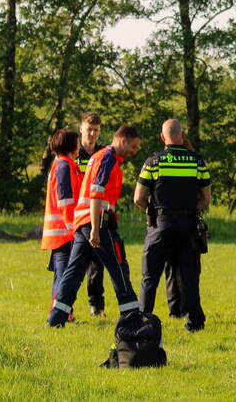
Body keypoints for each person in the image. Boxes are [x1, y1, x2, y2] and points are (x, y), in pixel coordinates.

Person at [47, 125, 143, 327]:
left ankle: (56, 317)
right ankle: (132, 316)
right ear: (123, 141)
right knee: (118, 266)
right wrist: (95, 230)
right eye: (134, 147)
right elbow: (96, 192)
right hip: (97, 221)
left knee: (74, 272)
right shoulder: (107, 158)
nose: (135, 152)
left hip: (83, 220)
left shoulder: (100, 156)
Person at [134, 119, 211, 332]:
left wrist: (152, 211)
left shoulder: (153, 162)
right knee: (189, 275)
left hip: (160, 224)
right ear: (182, 136)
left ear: (162, 137)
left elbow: (138, 198)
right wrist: (190, 210)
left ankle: (144, 321)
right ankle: (195, 321)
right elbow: (206, 199)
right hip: (187, 225)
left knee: (150, 276)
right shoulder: (197, 162)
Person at [40, 129, 82, 319]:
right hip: (64, 232)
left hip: (59, 231)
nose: (80, 145)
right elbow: (65, 201)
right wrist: (73, 227)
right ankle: (60, 313)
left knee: (61, 274)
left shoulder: (61, 164)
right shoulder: (64, 165)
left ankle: (64, 312)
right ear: (71, 145)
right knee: (64, 275)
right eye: (78, 142)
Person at [76, 111, 107, 316]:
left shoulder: (103, 153)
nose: (93, 133)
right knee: (75, 265)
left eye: (96, 130)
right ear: (81, 129)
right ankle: (65, 305)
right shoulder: (74, 153)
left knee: (98, 264)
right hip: (78, 215)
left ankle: (96, 305)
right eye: (89, 129)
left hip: (96, 214)